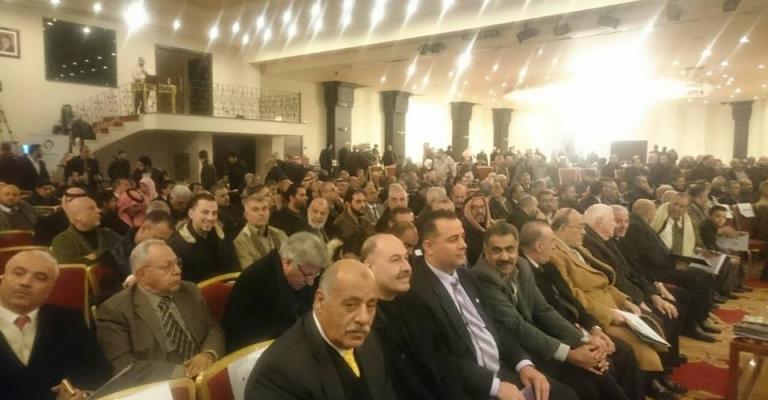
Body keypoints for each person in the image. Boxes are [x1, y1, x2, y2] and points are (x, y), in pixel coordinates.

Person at [399, 210, 575, 400]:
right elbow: (438, 359)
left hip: (503, 371)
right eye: (453, 239)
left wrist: (524, 365)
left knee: (569, 395)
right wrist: (494, 386)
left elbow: (495, 328)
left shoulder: (467, 277)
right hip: (472, 388)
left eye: (463, 237)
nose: (463, 244)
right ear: (429, 247)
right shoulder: (415, 293)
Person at [472, 222, 633, 400]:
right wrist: (571, 354)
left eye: (510, 249)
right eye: (496, 250)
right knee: (586, 386)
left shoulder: (522, 266)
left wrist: (583, 340)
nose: (504, 257)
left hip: (538, 341)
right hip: (516, 352)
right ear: (485, 250)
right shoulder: (481, 278)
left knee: (599, 366)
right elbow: (517, 327)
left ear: (517, 249)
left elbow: (543, 310)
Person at [519, 221, 646, 400]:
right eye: (552, 241)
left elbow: (573, 300)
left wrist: (595, 329)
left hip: (577, 327)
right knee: (601, 365)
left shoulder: (548, 265)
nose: (555, 246)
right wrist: (583, 339)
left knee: (624, 351)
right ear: (539, 246)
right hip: (560, 337)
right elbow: (543, 319)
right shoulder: (523, 273)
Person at [245, 259, 397, 400]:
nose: (363, 318)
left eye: (370, 306)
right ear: (320, 301)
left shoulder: (370, 341)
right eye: (350, 305)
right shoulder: (278, 373)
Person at [97, 240, 225, 375]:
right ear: (141, 275)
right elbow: (124, 365)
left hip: (206, 371)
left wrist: (208, 354)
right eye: (166, 266)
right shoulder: (115, 310)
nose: (177, 271)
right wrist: (181, 372)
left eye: (177, 263)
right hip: (161, 380)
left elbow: (213, 329)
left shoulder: (189, 290)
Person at [0, 250, 110, 400]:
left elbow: (98, 372)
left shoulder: (68, 320)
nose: (26, 282)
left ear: (50, 288)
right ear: (3, 278)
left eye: (40, 278)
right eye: (18, 273)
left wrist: (82, 394)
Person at [224, 232, 329, 352]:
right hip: (253, 350)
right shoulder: (256, 280)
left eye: (315, 275)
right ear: (287, 262)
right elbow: (254, 338)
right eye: (307, 275)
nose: (310, 282)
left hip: (290, 343)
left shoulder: (306, 272)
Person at [100, 210, 174, 303]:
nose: (160, 244)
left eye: (165, 241)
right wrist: (126, 286)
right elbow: (104, 299)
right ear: (143, 228)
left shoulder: (166, 252)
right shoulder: (113, 257)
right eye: (157, 238)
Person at [167, 192, 238, 283]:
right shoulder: (176, 245)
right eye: (205, 212)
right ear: (191, 214)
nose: (210, 218)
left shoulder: (224, 238)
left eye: (214, 213)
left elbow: (234, 268)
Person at [50, 196, 121, 265]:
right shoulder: (63, 240)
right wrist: (103, 253)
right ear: (77, 216)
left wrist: (93, 256)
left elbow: (125, 250)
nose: (99, 210)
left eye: (96, 207)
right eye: (91, 208)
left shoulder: (107, 233)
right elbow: (72, 267)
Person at [233, 194, 289, 269]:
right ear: (246, 215)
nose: (261, 213)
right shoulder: (241, 241)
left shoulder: (279, 233)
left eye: (264, 209)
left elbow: (292, 259)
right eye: (255, 210)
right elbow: (250, 271)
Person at [462, 194, 493, 266]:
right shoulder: (463, 231)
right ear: (467, 211)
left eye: (482, 207)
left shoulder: (492, 226)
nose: (479, 211)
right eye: (474, 208)